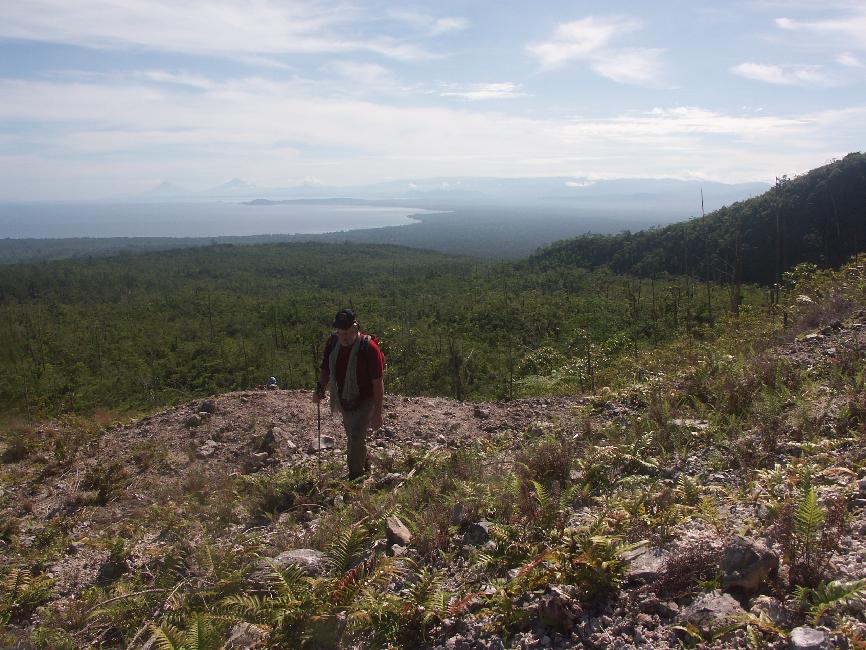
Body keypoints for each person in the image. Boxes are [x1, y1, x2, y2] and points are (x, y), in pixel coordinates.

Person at [313, 309, 385, 479]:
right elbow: (325, 369)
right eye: (340, 332)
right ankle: (365, 464)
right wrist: (320, 388)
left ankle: (355, 478)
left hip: (365, 398)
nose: (344, 337)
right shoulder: (332, 343)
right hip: (343, 398)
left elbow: (378, 383)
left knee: (355, 436)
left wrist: (377, 413)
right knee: (354, 437)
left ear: (355, 328)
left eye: (347, 332)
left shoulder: (369, 348)